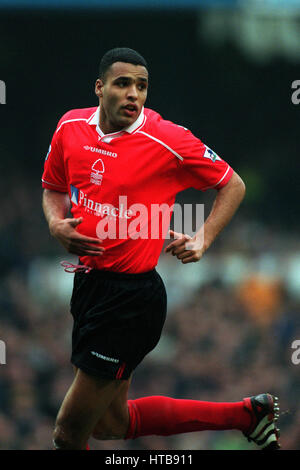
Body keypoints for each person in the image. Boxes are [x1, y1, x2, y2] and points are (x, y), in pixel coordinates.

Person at [41, 47, 280, 450]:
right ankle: (246, 415)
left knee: (68, 432)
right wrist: (54, 223)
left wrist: (203, 236)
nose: (134, 93)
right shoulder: (69, 128)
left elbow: (232, 184)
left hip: (131, 301)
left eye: (142, 86)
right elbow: (52, 188)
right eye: (123, 84)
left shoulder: (167, 139)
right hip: (89, 290)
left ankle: (247, 415)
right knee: (111, 424)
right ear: (100, 89)